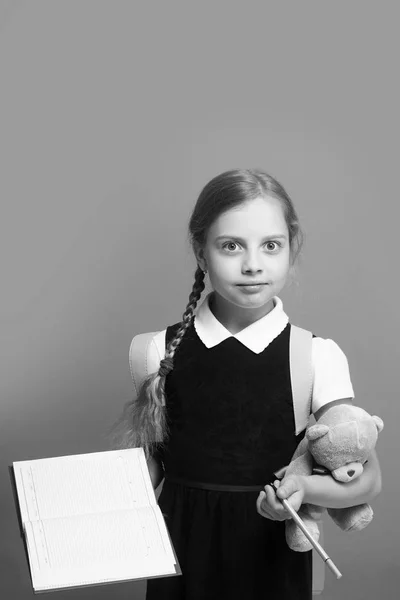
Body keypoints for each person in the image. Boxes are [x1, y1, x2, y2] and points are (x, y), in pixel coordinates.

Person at [111, 168, 382, 600]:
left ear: (291, 249)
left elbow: (367, 480)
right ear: (201, 253)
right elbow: (154, 463)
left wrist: (305, 488)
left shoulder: (314, 355)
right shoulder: (153, 351)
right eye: (231, 246)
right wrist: (85, 505)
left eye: (270, 245)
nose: (252, 263)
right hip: (179, 555)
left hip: (274, 555)